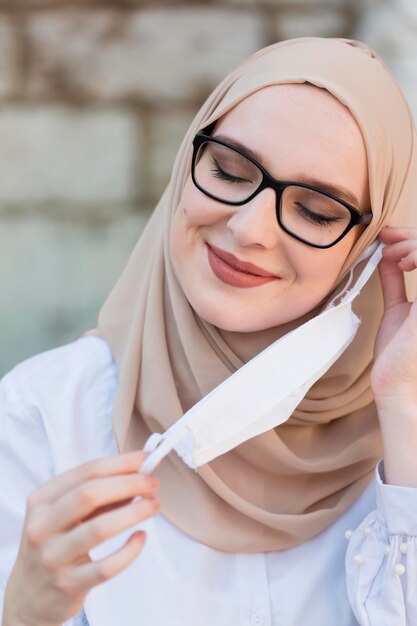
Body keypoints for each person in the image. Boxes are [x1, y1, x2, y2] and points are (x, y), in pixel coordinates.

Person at [1, 37, 417, 626]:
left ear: (369, 250)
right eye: (228, 169)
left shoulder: (405, 429)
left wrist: (404, 413)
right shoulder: (44, 416)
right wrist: (25, 612)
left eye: (316, 210)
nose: (250, 228)